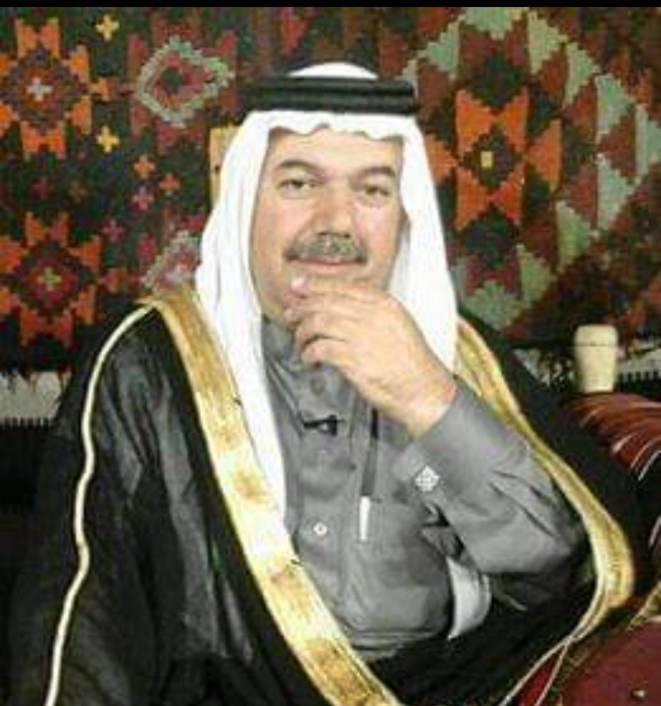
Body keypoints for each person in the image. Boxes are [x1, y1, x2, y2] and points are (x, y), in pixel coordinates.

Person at [8, 63, 648, 706]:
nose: (336, 221)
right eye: (298, 183)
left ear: (402, 215)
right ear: (244, 203)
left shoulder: (454, 351)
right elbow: (83, 604)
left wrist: (427, 399)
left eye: (372, 190)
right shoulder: (152, 359)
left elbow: (554, 577)